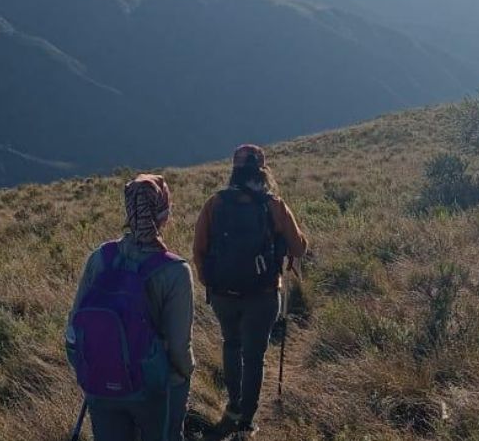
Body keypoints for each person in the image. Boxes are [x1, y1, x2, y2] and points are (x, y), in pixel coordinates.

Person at [66, 174, 195, 441]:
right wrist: (185, 375)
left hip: (100, 382)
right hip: (154, 387)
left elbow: (74, 327)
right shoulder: (175, 271)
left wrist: (91, 369)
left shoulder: (100, 258)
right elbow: (179, 347)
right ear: (164, 214)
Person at [193, 145, 308, 439]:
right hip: (263, 294)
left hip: (223, 294)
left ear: (234, 171)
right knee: (254, 356)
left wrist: (210, 282)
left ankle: (233, 408)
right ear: (262, 171)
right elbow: (298, 249)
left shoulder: (215, 203)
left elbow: (199, 249)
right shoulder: (274, 205)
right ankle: (246, 421)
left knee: (231, 345)